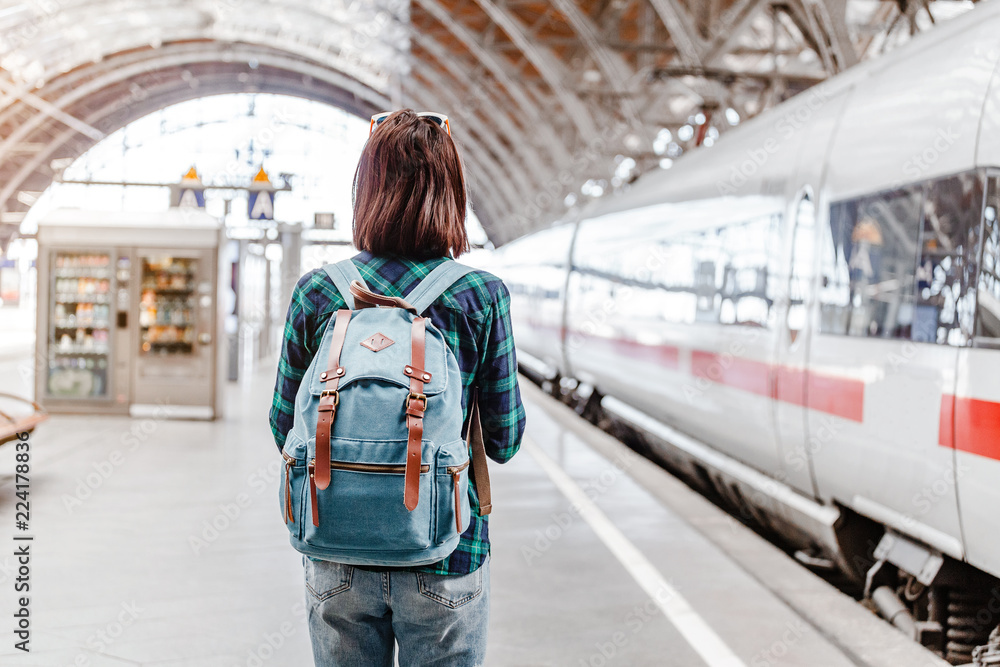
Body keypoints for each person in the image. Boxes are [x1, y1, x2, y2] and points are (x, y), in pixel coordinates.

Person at [268, 108, 526, 666]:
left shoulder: (319, 292)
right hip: (448, 554)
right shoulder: (481, 295)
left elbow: (281, 426)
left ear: (366, 190)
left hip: (336, 549)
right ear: (453, 192)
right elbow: (505, 441)